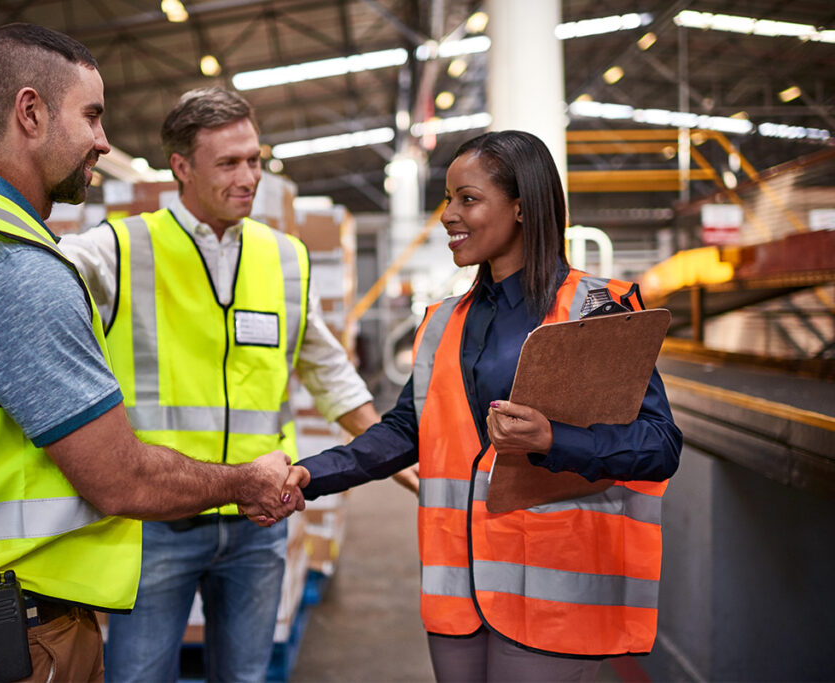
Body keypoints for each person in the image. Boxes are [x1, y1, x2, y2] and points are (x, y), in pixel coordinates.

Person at [0, 25, 302, 683]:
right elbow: (122, 477)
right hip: (10, 638)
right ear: (30, 112)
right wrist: (244, 480)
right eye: (91, 116)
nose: (104, 140)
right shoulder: (10, 268)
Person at [282, 130, 682, 682]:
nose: (449, 214)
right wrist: (308, 475)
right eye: (448, 199)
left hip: (553, 598)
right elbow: (405, 430)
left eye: (467, 199)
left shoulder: (595, 310)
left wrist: (552, 440)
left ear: (521, 207)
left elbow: (659, 447)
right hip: (458, 594)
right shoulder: (446, 321)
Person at [56, 86, 389, 683]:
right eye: (229, 163)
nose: (249, 177)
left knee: (245, 677)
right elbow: (37, 273)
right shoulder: (120, 247)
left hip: (257, 522)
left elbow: (329, 370)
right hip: (160, 523)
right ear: (181, 167)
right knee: (137, 676)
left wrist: (404, 461)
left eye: (255, 160)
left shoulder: (284, 257)